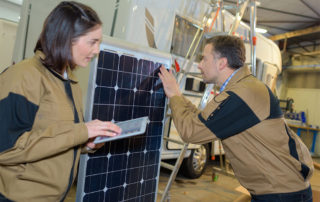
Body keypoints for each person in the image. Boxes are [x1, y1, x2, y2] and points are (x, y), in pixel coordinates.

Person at [159, 35, 314, 202]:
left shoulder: (242, 94)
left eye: (204, 59)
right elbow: (201, 120)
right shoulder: (242, 88)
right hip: (280, 191)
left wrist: (174, 94)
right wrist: (178, 96)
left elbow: (192, 132)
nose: (199, 65)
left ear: (222, 63)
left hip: (282, 194)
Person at [0, 1, 121, 201]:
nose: (97, 50)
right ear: (67, 38)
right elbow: (6, 147)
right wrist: (82, 131)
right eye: (92, 42)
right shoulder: (24, 76)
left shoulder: (70, 81)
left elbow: (53, 137)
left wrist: (86, 143)